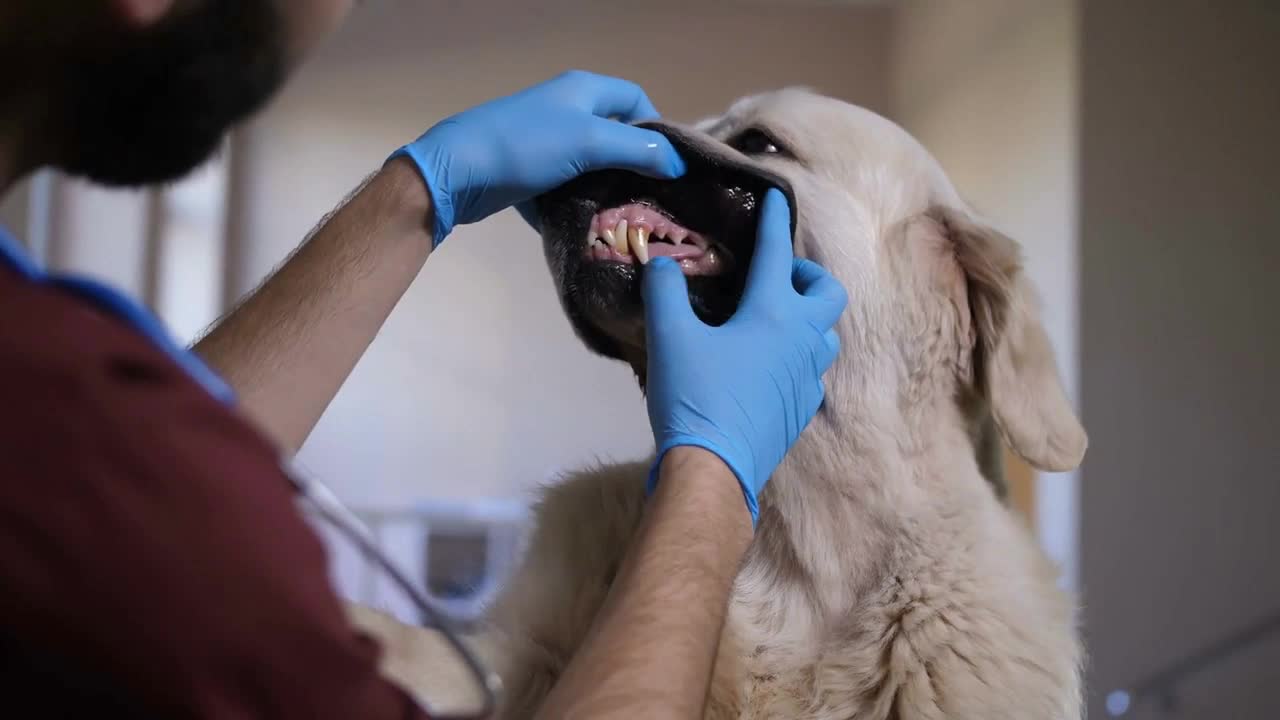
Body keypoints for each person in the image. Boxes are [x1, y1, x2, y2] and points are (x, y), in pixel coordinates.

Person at [0, 2, 847, 718]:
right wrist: (711, 475)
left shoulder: (57, 420)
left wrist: (416, 194)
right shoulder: (60, 421)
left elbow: (146, 497)